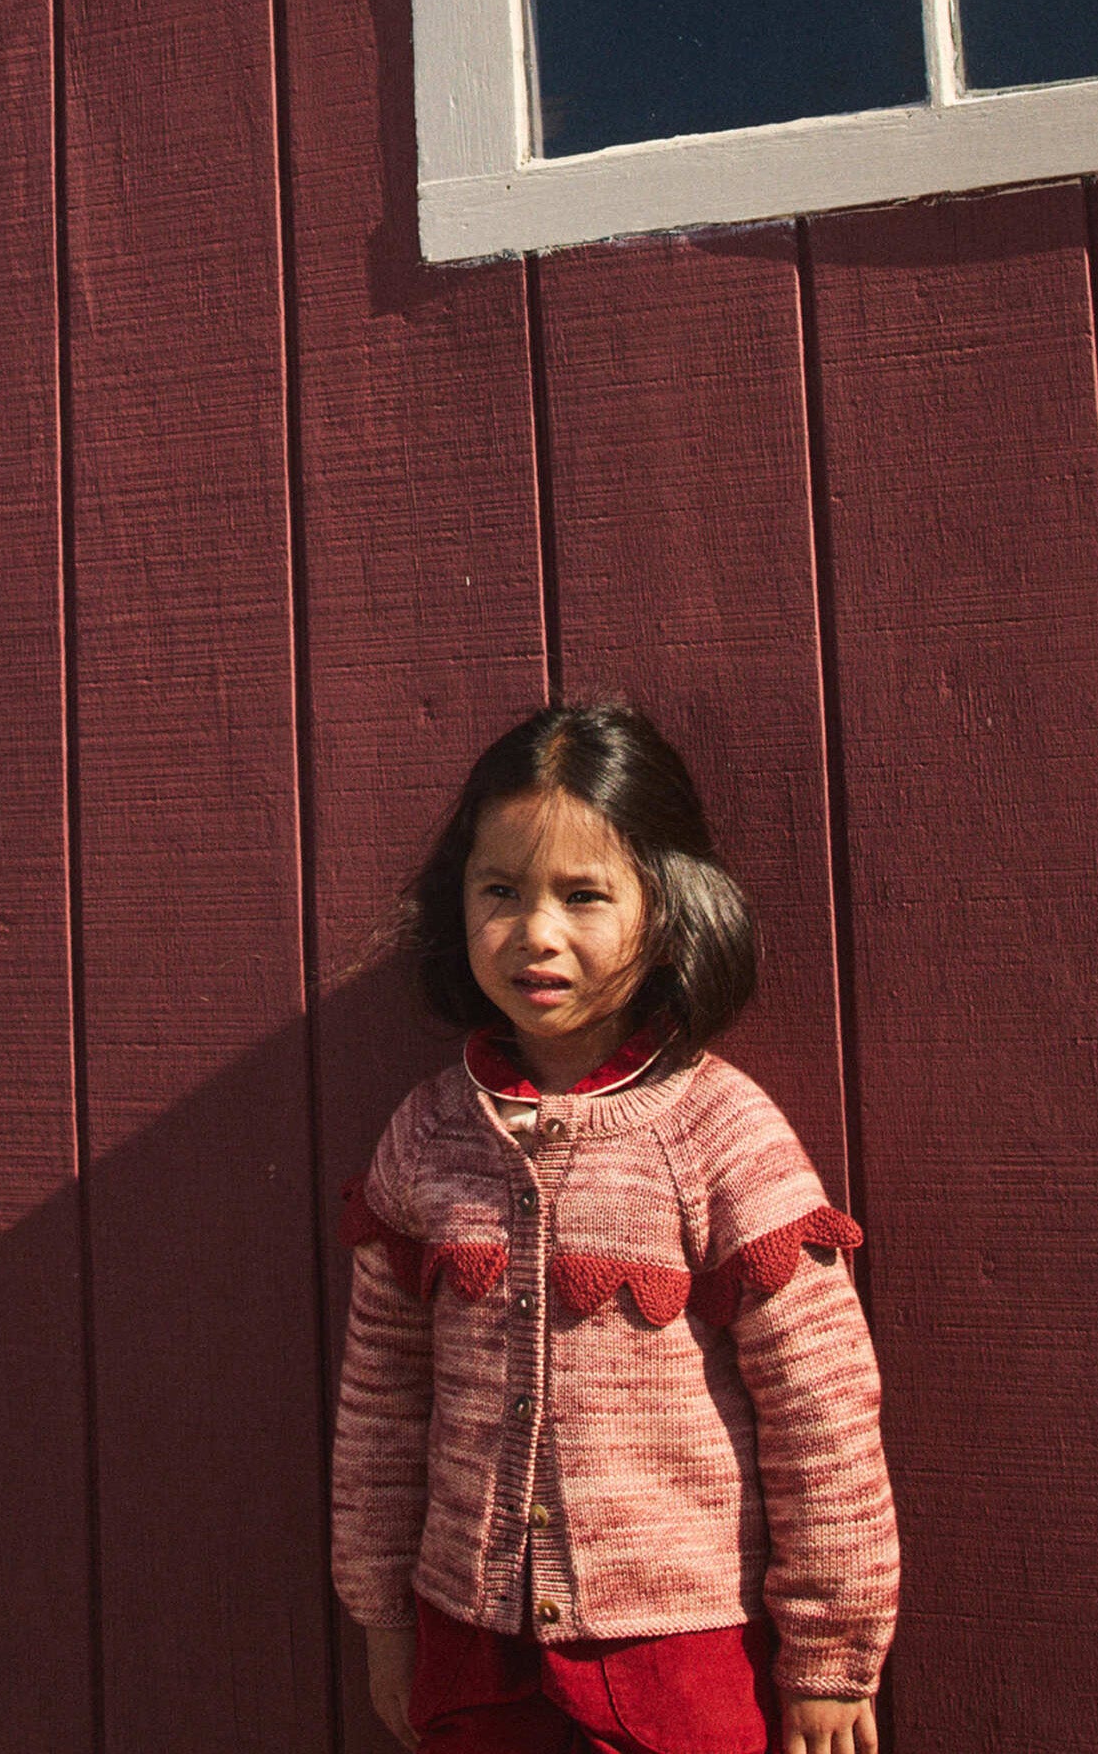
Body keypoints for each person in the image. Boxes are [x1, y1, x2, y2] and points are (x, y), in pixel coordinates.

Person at [333, 702, 897, 1754]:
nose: (534, 931)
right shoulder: (422, 1137)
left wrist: (829, 1652)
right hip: (468, 1653)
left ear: (668, 906)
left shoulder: (720, 1133)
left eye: (581, 894)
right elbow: (379, 1404)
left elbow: (820, 1410)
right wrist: (380, 1614)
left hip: (675, 1663)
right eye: (498, 890)